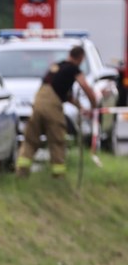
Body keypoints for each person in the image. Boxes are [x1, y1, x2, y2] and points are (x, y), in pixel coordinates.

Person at [16, 45, 98, 178]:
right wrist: (94, 106)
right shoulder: (73, 69)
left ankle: (21, 173)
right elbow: (86, 88)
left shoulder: (56, 67)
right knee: (57, 140)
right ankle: (58, 175)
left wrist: (80, 107)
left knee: (30, 139)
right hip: (51, 107)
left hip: (38, 103)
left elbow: (64, 94)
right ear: (81, 57)